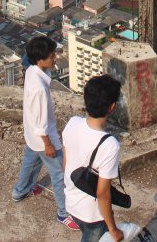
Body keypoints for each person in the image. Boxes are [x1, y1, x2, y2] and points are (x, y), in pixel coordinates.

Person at [11, 36, 79, 231]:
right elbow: (42, 123)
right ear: (40, 59)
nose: (55, 58)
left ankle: (20, 191)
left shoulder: (32, 71)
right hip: (43, 138)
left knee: (30, 162)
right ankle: (63, 213)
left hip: (32, 135)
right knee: (59, 174)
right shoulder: (39, 88)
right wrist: (48, 145)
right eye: (51, 56)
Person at [62, 74, 125, 242]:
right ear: (112, 107)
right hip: (91, 213)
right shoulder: (110, 144)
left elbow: (66, 163)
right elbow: (102, 193)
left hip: (71, 199)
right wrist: (113, 229)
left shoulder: (72, 123)